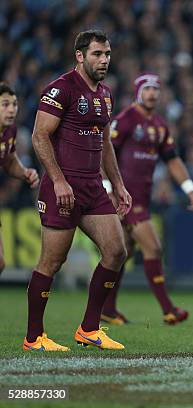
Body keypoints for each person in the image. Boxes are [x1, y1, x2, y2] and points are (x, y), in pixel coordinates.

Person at [24, 30, 131, 352]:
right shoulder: (61, 89)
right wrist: (57, 180)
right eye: (98, 54)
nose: (104, 60)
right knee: (51, 263)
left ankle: (89, 328)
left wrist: (118, 185)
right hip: (63, 186)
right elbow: (39, 137)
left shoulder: (106, 94)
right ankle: (33, 337)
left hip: (93, 187)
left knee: (116, 251)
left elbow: (105, 143)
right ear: (80, 56)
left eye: (108, 54)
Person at [100, 73, 193, 326]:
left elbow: (172, 159)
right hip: (125, 198)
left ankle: (107, 309)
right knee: (153, 248)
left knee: (120, 254)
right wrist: (108, 189)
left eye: (156, 89)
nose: (153, 93)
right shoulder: (125, 120)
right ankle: (169, 309)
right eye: (147, 89)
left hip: (142, 197)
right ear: (137, 91)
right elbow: (104, 151)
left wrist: (189, 188)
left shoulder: (159, 125)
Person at [0, 82, 40, 275]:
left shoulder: (10, 131)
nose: (11, 110)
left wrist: (24, 172)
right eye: (5, 104)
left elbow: (8, 161)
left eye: (14, 104)